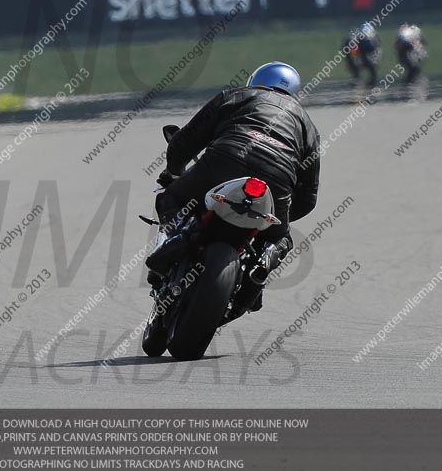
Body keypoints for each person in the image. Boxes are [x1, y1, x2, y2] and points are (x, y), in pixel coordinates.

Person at [153, 62, 320, 315]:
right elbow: (308, 197)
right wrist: (271, 218)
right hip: (276, 182)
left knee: (170, 197)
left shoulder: (235, 95)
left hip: (224, 162)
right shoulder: (308, 127)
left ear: (257, 80)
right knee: (281, 239)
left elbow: (184, 141)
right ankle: (259, 272)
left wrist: (174, 172)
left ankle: (177, 241)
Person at [343, 22, 381, 88]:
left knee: (372, 64)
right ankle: (356, 77)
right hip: (358, 57)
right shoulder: (352, 41)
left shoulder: (374, 41)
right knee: (355, 63)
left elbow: (375, 52)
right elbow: (349, 53)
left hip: (368, 57)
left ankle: (372, 79)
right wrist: (355, 57)